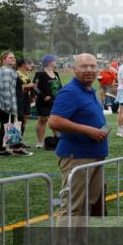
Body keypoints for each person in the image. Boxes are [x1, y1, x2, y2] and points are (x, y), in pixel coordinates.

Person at [49, 53, 110, 217]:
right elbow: (54, 121)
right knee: (72, 208)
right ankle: (63, 243)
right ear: (74, 69)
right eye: (84, 66)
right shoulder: (70, 91)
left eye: (92, 66)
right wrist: (88, 131)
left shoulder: (90, 90)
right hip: (77, 156)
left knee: (86, 207)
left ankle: (80, 243)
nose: (89, 70)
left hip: (94, 155)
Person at [35, 54, 64, 149]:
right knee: (42, 120)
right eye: (54, 60)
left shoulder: (56, 73)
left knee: (55, 119)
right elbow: (35, 87)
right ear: (49, 62)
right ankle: (40, 141)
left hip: (55, 101)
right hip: (43, 102)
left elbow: (60, 86)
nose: (56, 62)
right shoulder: (40, 74)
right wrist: (44, 96)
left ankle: (58, 138)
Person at [12, 58, 36, 154]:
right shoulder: (16, 74)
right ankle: (15, 144)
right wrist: (27, 86)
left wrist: (32, 95)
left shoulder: (26, 74)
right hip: (19, 99)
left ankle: (20, 140)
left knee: (24, 119)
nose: (31, 64)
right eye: (29, 63)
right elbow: (14, 88)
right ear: (22, 65)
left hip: (25, 98)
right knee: (18, 120)